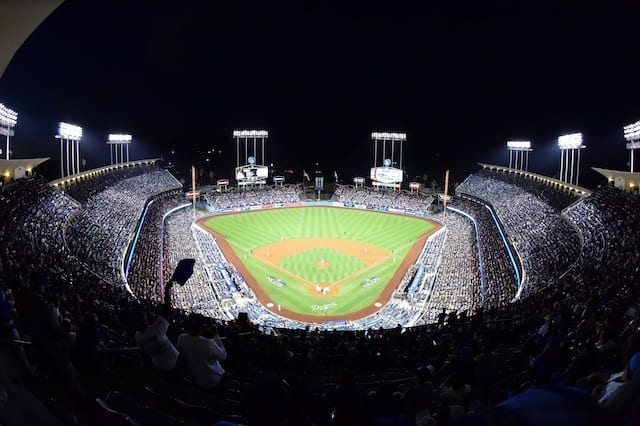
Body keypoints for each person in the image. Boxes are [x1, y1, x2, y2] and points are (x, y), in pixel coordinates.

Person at [134, 280, 179, 371]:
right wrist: (167, 290)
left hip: (157, 363)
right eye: (144, 317)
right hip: (173, 361)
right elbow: (166, 310)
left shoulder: (137, 337)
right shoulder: (156, 330)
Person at [177, 313, 227, 389]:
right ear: (202, 327)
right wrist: (216, 335)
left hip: (196, 378)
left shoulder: (181, 338)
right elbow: (223, 356)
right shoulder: (208, 343)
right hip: (214, 380)